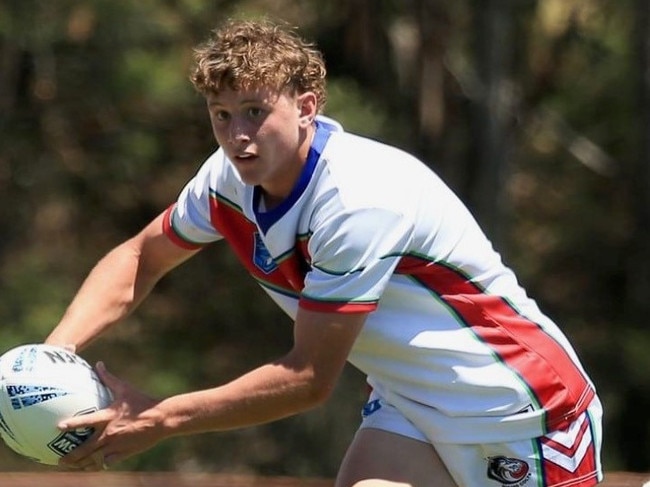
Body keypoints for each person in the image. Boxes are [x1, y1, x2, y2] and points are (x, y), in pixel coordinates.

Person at [45, 18, 603, 487]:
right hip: (411, 405)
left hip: (518, 410)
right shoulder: (226, 181)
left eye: (254, 112)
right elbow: (142, 257)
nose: (237, 135)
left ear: (306, 106)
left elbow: (307, 378)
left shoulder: (358, 200)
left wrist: (160, 418)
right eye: (221, 114)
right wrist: (52, 359)